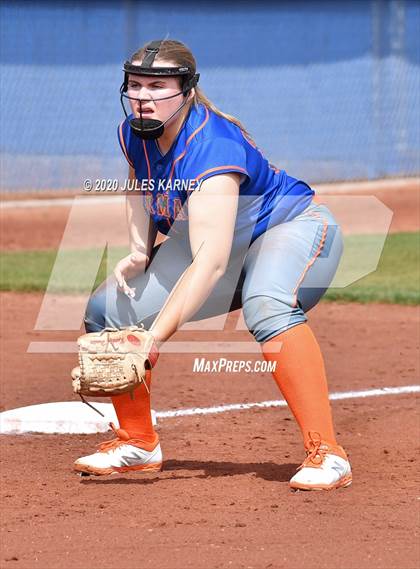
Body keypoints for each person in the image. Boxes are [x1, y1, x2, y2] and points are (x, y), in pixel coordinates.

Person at [74, 39, 352, 491]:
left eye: (157, 85)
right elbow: (139, 184)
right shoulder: (136, 132)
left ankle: (328, 453)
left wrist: (152, 340)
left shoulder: (212, 146)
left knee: (267, 304)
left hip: (291, 230)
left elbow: (211, 262)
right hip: (224, 244)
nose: (143, 96)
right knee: (111, 310)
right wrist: (139, 249)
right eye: (136, 85)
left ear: (186, 90)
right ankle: (138, 444)